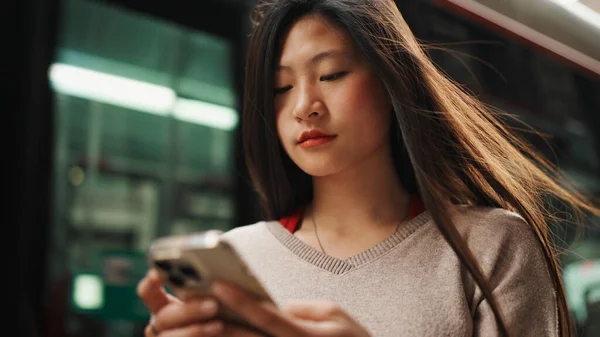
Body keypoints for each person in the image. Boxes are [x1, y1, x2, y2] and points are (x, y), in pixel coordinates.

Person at [137, 0, 599, 336]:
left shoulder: (491, 247)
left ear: (390, 80)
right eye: (281, 87)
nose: (304, 107)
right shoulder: (237, 257)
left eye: (332, 75)